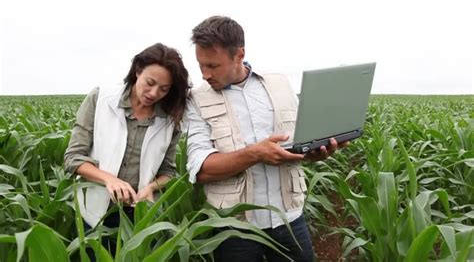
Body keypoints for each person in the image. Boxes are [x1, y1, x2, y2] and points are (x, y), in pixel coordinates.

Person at [184, 16, 346, 261]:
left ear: (239, 55)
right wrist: (255, 153)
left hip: (289, 217)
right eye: (201, 65)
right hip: (233, 227)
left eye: (213, 66)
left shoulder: (280, 84)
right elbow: (201, 170)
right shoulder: (196, 99)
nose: (205, 74)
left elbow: (297, 144)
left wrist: (315, 153)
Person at [64, 43, 190, 253]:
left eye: (164, 89)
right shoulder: (101, 99)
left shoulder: (169, 119)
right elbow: (73, 158)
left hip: (139, 217)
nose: (154, 93)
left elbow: (168, 172)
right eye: (150, 83)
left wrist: (150, 188)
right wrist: (109, 179)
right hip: (95, 212)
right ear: (138, 70)